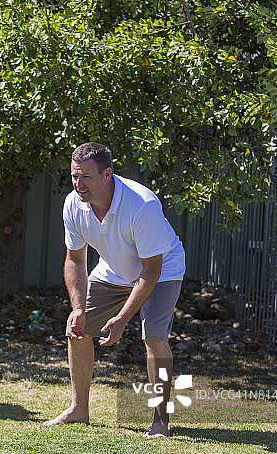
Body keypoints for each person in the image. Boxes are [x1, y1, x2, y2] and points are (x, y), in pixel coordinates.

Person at [44, 142, 185, 437]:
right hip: (113, 270)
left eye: (86, 177)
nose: (78, 184)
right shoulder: (73, 203)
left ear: (107, 174)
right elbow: (74, 259)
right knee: (77, 329)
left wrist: (121, 319)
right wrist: (79, 307)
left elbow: (150, 270)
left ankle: (160, 421)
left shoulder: (141, 204)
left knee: (154, 338)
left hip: (162, 269)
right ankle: (78, 410)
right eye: (74, 176)